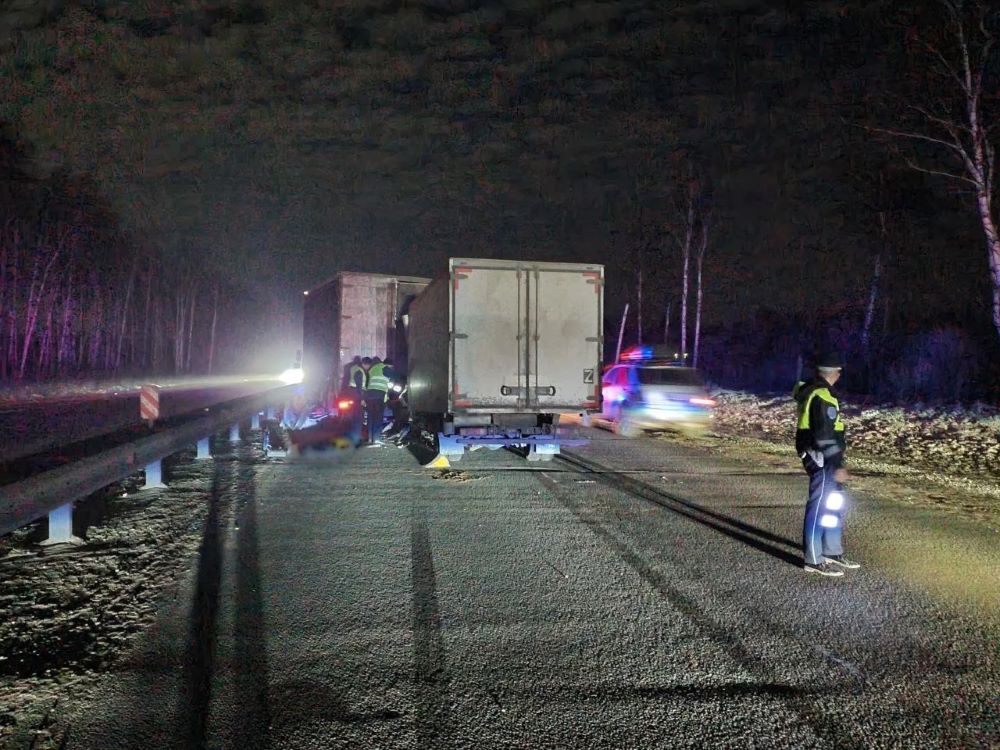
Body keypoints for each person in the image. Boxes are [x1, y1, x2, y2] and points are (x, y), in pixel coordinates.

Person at [793, 351, 860, 577]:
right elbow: (823, 435)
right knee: (820, 504)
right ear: (836, 373)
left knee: (832, 504)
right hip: (821, 457)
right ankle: (813, 559)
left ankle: (831, 551)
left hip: (824, 456)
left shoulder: (816, 391)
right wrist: (837, 464)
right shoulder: (822, 395)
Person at [363, 356, 391, 444]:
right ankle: (377, 439)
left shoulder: (371, 370)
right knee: (378, 417)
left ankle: (370, 438)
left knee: (371, 418)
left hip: (369, 396)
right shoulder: (384, 367)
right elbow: (394, 376)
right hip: (379, 395)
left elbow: (366, 383)